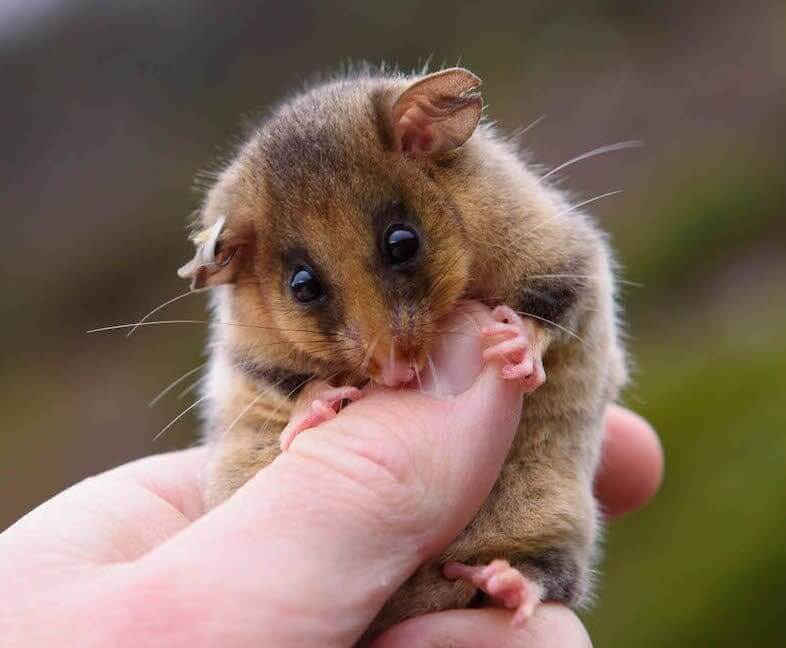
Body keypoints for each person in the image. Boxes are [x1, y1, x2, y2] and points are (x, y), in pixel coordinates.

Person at [0, 305, 662, 647]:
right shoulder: (259, 350)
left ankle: (531, 574)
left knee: (539, 562)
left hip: (506, 538)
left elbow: (565, 281)